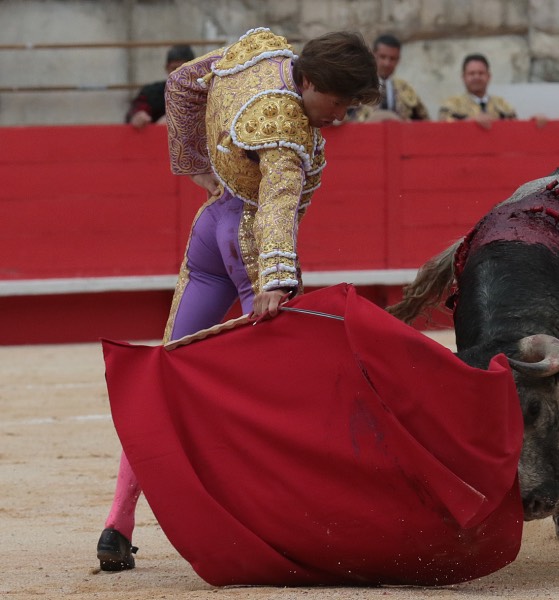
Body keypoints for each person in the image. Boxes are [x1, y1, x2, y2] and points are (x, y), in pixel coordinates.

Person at [96, 26, 380, 572]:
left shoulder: (260, 51)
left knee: (166, 378)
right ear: (312, 81)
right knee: (284, 395)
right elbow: (275, 202)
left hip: (210, 229)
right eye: (337, 101)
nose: (340, 115)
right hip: (249, 246)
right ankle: (283, 523)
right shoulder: (288, 127)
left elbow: (180, 83)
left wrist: (195, 162)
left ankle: (117, 525)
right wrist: (274, 281)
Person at [349, 33, 429, 122]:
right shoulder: (356, 86)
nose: (387, 63)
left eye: (392, 58)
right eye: (383, 57)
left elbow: (423, 122)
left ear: (398, 60)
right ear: (373, 55)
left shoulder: (405, 89)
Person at [438, 53, 517, 130]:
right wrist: (471, 122)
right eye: (471, 74)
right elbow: (444, 130)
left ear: (488, 76)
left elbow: (515, 130)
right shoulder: (451, 105)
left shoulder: (503, 106)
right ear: (463, 77)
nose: (476, 77)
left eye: (481, 73)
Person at [124, 44, 195, 129]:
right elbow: (136, 110)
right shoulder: (150, 93)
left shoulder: (204, 94)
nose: (178, 74)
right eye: (174, 68)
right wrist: (138, 115)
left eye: (184, 70)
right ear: (167, 68)